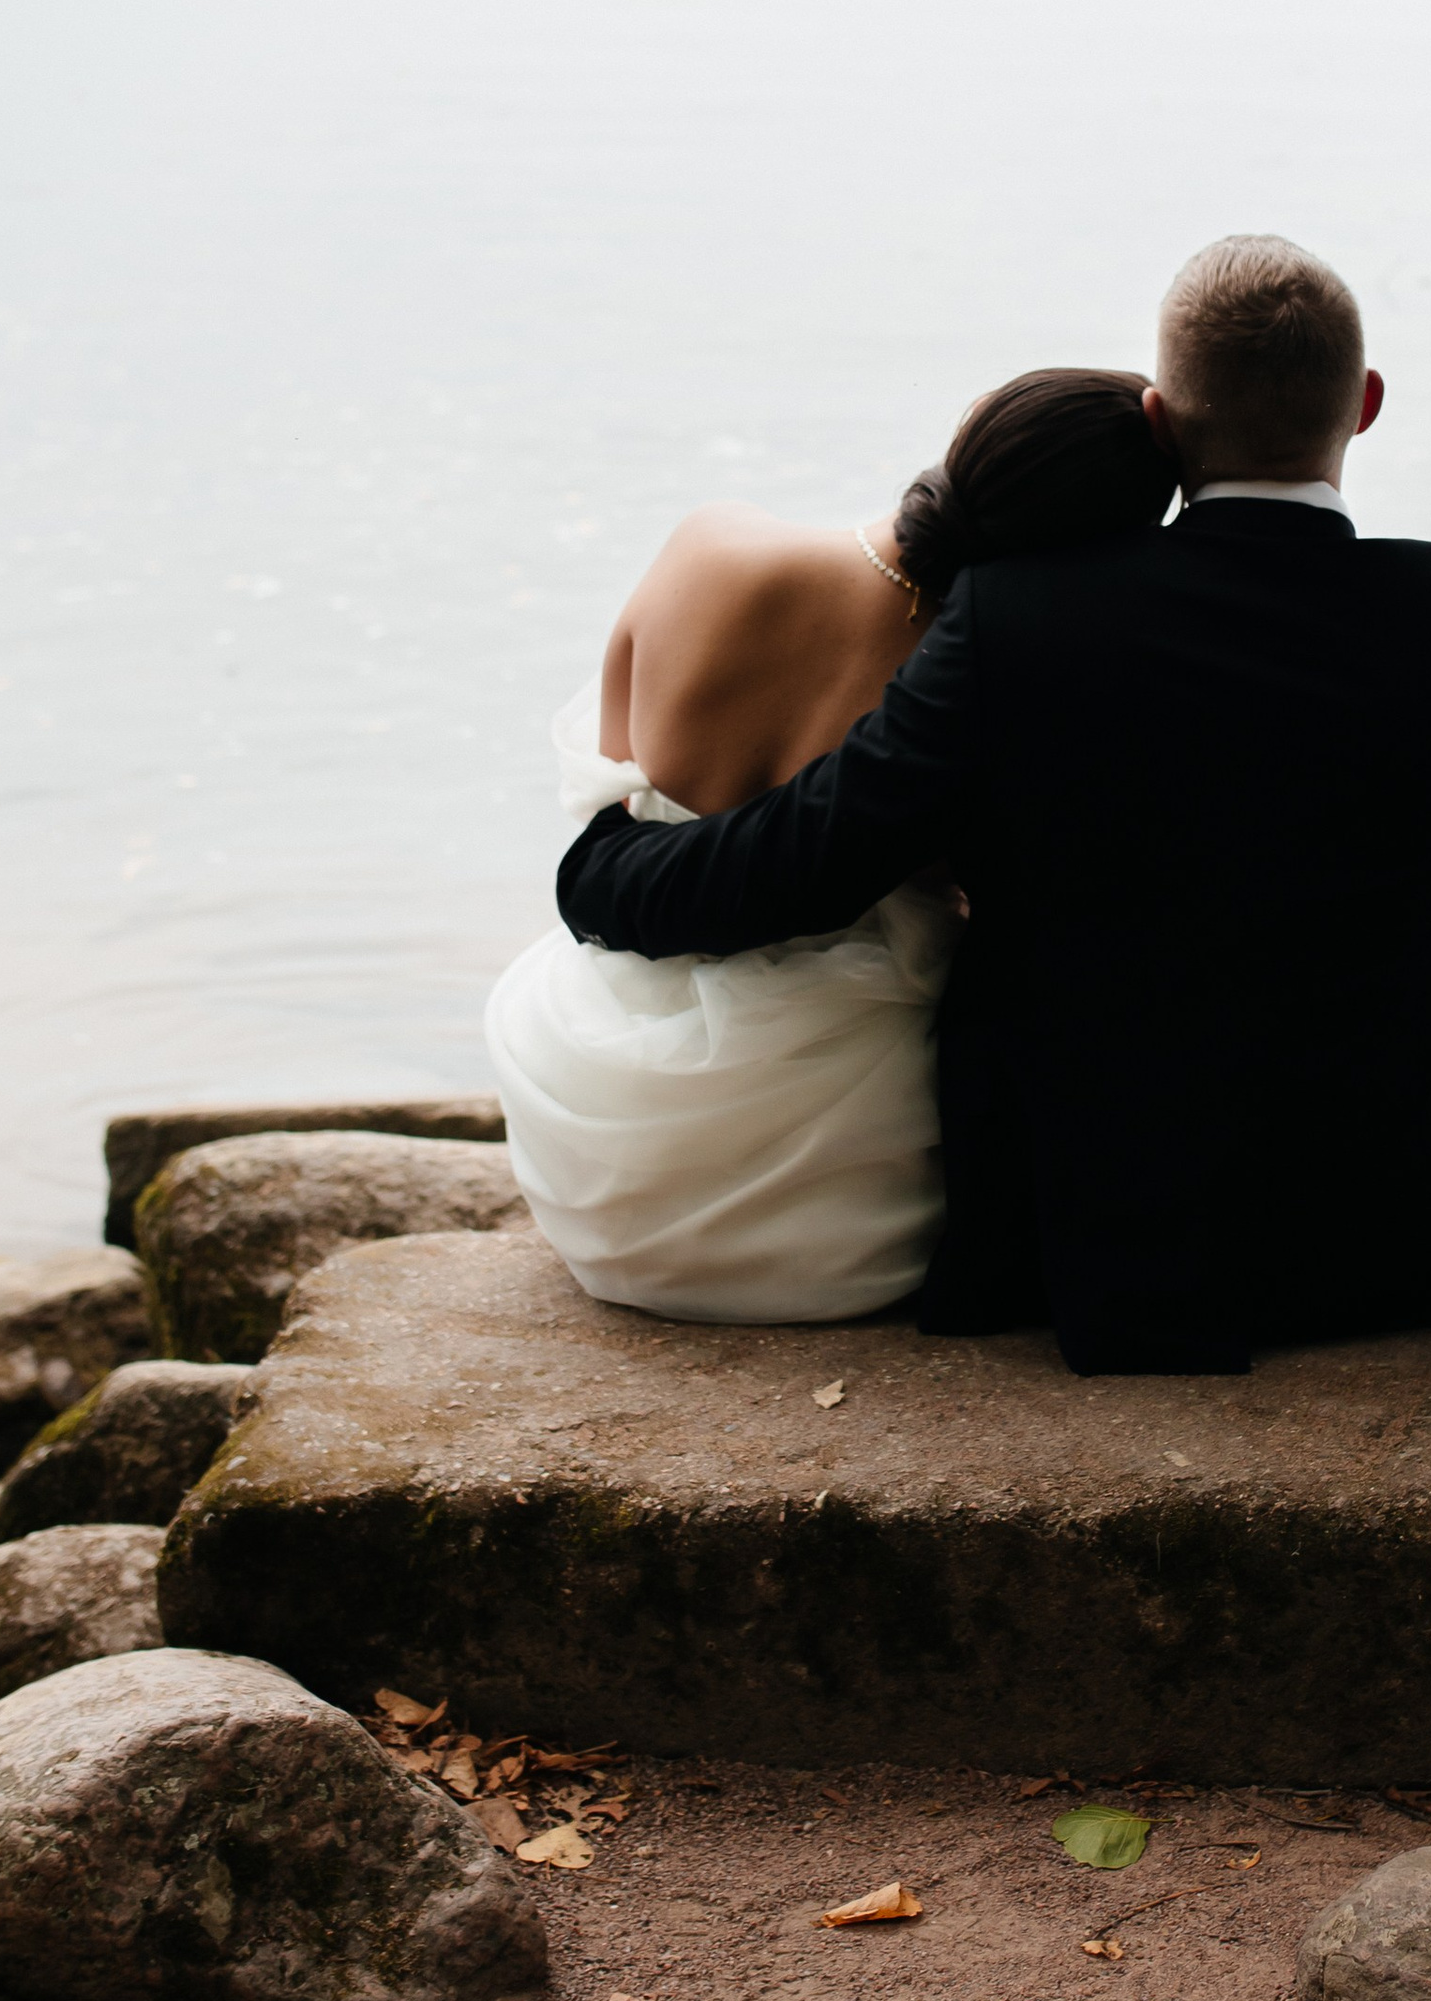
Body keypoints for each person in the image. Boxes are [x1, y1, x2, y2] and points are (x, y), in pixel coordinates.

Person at [556, 233, 1431, 1376]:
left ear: (1162, 418)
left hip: (1126, 1265)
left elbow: (795, 864)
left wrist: (601, 864)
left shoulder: (1016, 627)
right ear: (1364, 403)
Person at [485, 368, 1175, 1318]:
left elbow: (607, 788)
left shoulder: (714, 544)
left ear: (969, 422)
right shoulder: (984, 674)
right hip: (842, 1184)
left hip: (603, 1134)